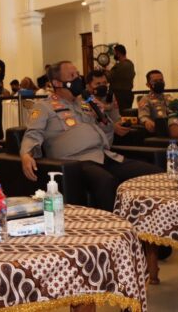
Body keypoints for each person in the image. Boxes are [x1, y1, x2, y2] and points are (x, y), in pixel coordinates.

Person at [19, 61, 160, 212]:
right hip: (76, 161)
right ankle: (114, 225)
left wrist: (102, 118)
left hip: (104, 155)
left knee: (154, 173)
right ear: (57, 83)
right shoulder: (44, 106)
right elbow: (33, 133)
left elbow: (107, 138)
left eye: (77, 74)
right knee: (106, 181)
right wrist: (26, 154)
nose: (78, 78)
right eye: (72, 76)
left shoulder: (85, 103)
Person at [84, 70, 130, 143]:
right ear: (88, 87)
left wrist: (119, 124)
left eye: (104, 83)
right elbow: (90, 126)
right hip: (92, 140)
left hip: (109, 138)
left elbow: (116, 117)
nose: (102, 86)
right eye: (98, 84)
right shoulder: (84, 100)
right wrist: (113, 127)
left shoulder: (109, 97)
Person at [137, 70, 173, 134]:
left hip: (174, 128)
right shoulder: (145, 99)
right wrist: (147, 122)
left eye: (161, 80)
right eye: (155, 81)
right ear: (148, 85)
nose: (159, 83)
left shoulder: (169, 97)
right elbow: (143, 116)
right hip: (160, 131)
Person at [109, 44, 135, 110]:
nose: (114, 55)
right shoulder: (130, 64)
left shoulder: (120, 65)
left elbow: (109, 77)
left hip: (119, 95)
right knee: (127, 113)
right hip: (128, 94)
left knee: (119, 114)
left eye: (114, 53)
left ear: (118, 53)